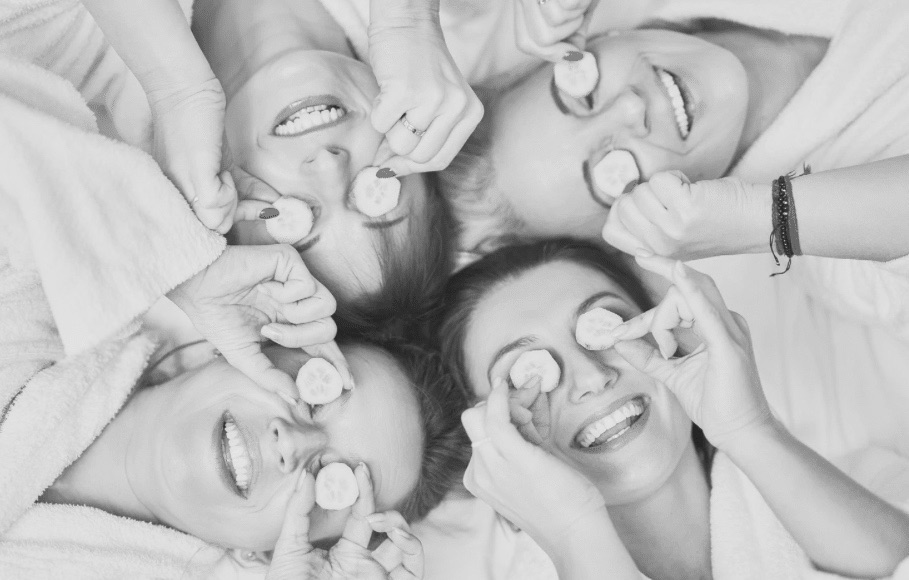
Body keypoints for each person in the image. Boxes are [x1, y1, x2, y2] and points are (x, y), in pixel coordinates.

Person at [439, 239, 909, 579]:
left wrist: (749, 428)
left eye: (608, 327)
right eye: (528, 377)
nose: (592, 378)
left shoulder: (868, 493)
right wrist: (573, 534)